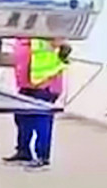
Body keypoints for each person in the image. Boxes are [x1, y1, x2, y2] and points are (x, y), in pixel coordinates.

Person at [4, 37, 70, 169]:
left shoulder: (46, 33)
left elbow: (65, 49)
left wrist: (50, 77)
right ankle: (23, 151)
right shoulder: (22, 37)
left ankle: (42, 156)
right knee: (22, 118)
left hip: (44, 84)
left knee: (41, 120)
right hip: (26, 84)